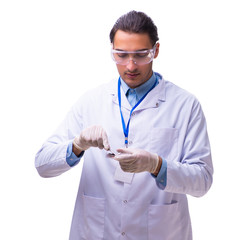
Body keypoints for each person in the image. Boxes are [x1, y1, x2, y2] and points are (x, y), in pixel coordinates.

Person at [35, 10, 213, 240]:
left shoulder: (185, 105)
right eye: (121, 54)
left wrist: (157, 165)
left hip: (160, 232)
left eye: (140, 55)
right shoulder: (91, 101)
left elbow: (203, 181)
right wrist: (76, 146)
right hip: (96, 231)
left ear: (156, 51)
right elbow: (42, 164)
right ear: (112, 50)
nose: (130, 66)